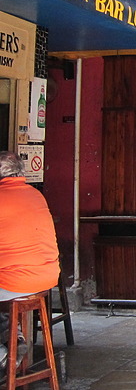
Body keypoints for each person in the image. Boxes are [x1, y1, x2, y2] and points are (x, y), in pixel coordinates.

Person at [0, 151, 60, 370]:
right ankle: (13, 340)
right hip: (46, 277)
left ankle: (3, 352)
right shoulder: (36, 195)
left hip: (16, 282)